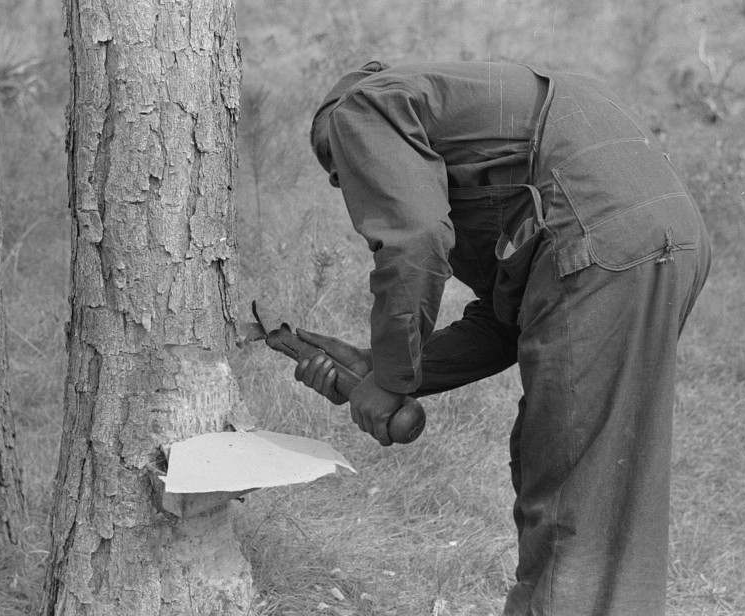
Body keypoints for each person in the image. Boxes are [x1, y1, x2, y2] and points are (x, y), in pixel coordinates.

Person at [293, 60, 711, 616]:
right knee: (600, 476)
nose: (340, 182)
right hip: (661, 234)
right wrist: (385, 366)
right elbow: (507, 314)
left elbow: (414, 241)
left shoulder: (361, 110)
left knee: (571, 492)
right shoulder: (466, 126)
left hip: (598, 240)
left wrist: (390, 381)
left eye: (340, 166)